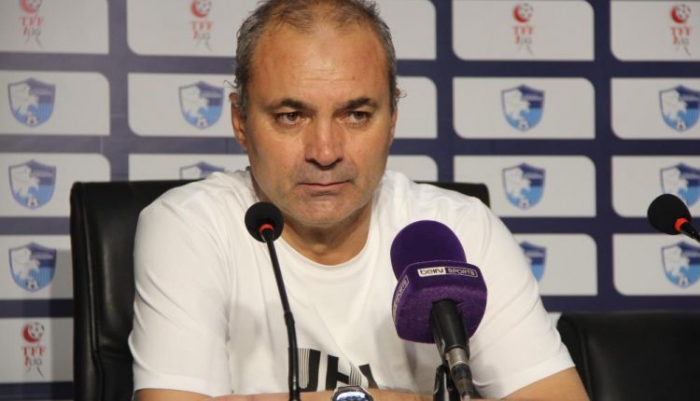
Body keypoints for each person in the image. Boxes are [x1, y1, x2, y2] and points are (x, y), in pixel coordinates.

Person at [128, 0, 589, 400]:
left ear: (393, 120)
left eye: (356, 115)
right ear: (240, 122)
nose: (325, 151)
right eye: (290, 116)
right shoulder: (191, 227)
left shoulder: (459, 230)